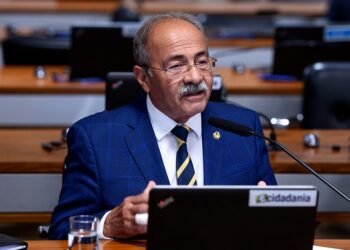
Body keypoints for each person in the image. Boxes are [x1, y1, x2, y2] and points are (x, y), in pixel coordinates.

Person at [49, 12, 277, 240]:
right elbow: (60, 232)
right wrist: (110, 224)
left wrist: (270, 214)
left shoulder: (243, 127)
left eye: (202, 61)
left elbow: (277, 216)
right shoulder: (95, 139)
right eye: (176, 66)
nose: (196, 77)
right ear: (143, 78)